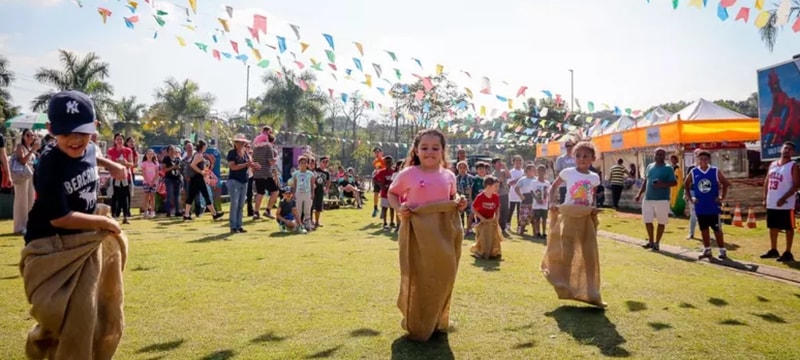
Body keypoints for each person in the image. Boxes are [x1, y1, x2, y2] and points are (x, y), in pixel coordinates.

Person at [21, 90, 129, 359]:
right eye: (66, 133)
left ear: (94, 128)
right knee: (56, 316)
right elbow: (61, 218)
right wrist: (103, 221)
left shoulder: (90, 147)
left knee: (87, 313)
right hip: (50, 246)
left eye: (82, 132)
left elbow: (91, 155)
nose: (75, 140)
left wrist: (111, 165)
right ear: (50, 130)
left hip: (83, 243)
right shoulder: (48, 166)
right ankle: (42, 345)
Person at [388, 129, 467, 342]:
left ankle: (438, 320)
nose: (429, 152)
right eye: (424, 148)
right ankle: (417, 322)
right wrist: (399, 208)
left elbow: (452, 196)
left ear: (443, 151)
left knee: (444, 275)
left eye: (435, 148)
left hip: (444, 233)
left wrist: (459, 201)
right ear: (416, 150)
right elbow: (392, 193)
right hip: (417, 234)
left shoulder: (449, 175)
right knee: (419, 276)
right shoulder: (408, 173)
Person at [544, 140, 605, 308]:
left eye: (586, 156)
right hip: (569, 215)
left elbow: (591, 196)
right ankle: (562, 283)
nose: (582, 159)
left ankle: (591, 292)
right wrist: (552, 203)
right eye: (578, 155)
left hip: (585, 217)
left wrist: (594, 209)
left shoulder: (594, 177)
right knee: (567, 252)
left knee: (589, 254)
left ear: (593, 158)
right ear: (573, 157)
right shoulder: (568, 172)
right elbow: (553, 187)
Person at [684, 150, 730, 260]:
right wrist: (691, 198)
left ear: (709, 160)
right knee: (703, 229)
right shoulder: (694, 172)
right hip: (701, 206)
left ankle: (722, 250)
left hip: (713, 206)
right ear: (698, 160)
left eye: (705, 159)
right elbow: (686, 184)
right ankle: (707, 249)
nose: (703, 161)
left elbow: (725, 183)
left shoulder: (714, 171)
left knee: (717, 229)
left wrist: (721, 197)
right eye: (701, 159)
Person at [761, 141, 799, 263]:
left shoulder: (793, 165)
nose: (787, 150)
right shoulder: (773, 164)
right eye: (785, 148)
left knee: (788, 227)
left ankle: (788, 252)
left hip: (786, 204)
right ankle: (773, 249)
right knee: (773, 226)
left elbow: (796, 185)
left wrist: (784, 198)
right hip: (772, 201)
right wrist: (765, 197)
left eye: (790, 149)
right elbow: (767, 181)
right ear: (781, 149)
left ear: (792, 152)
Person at [635, 148, 678, 251]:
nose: (659, 156)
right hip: (648, 198)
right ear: (654, 155)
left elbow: (674, 182)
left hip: (662, 199)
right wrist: (639, 194)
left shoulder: (668, 168)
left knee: (661, 222)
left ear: (665, 156)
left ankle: (657, 243)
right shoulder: (649, 166)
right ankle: (650, 241)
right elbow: (646, 181)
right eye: (657, 154)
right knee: (647, 220)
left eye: (661, 155)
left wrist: (662, 184)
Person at [183, 140, 224, 221]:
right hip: (198, 178)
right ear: (202, 147)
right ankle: (214, 214)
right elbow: (192, 165)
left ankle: (186, 214)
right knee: (206, 195)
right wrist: (201, 172)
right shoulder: (199, 155)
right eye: (205, 146)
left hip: (195, 178)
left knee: (191, 197)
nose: (206, 148)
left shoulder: (197, 154)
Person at [227, 134, 259, 233]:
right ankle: (233, 226)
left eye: (243, 142)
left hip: (244, 181)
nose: (242, 144)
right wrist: (246, 164)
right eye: (240, 142)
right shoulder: (232, 153)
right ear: (235, 143)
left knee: (241, 204)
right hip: (234, 181)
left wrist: (255, 166)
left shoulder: (245, 154)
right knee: (235, 203)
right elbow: (233, 167)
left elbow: (250, 164)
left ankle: (239, 225)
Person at [12, 128, 39, 234]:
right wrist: (32, 150)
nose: (30, 137)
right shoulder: (20, 147)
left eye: (32, 135)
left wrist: (34, 152)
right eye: (28, 135)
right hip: (21, 176)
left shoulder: (31, 148)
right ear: (23, 136)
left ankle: (28, 225)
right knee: (21, 201)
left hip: (30, 175)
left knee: (30, 201)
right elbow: (22, 161)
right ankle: (19, 227)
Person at [470, 175, 502, 259]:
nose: (497, 188)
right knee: (482, 237)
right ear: (488, 186)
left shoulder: (496, 196)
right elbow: (473, 208)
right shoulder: (480, 197)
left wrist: (497, 216)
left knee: (492, 236)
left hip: (491, 220)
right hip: (481, 220)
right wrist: (481, 217)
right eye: (495, 186)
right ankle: (480, 251)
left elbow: (497, 207)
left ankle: (492, 252)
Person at [108, 133, 134, 224]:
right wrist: (115, 163)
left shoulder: (128, 150)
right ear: (115, 141)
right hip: (115, 176)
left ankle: (126, 216)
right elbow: (108, 164)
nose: (119, 141)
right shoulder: (111, 150)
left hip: (125, 176)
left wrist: (125, 163)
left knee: (125, 195)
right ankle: (114, 215)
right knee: (115, 196)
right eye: (118, 139)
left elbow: (131, 164)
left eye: (121, 139)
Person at [252, 128, 277, 219]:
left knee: (260, 193)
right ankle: (268, 210)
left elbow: (253, 160)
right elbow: (270, 161)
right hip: (266, 173)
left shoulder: (256, 148)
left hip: (257, 174)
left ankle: (256, 212)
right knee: (275, 192)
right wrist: (275, 160)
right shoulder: (268, 147)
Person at [289, 155, 315, 231]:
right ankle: (297, 225)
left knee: (307, 210)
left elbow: (312, 185)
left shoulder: (310, 174)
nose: (303, 164)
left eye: (305, 163)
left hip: (307, 194)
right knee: (298, 210)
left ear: (307, 164)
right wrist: (293, 194)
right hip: (298, 193)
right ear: (299, 164)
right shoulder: (296, 174)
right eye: (301, 163)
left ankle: (308, 225)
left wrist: (312, 193)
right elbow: (294, 185)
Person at [514, 164, 537, 235]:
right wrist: (520, 196)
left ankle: (535, 232)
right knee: (524, 215)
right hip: (525, 198)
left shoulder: (536, 179)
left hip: (534, 198)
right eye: (529, 170)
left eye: (533, 170)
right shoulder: (523, 179)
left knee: (534, 216)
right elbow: (516, 188)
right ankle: (521, 231)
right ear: (526, 171)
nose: (531, 172)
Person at [491, 157, 511, 236]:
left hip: (505, 193)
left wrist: (505, 167)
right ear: (494, 164)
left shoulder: (503, 171)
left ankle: (503, 227)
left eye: (500, 162)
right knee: (499, 211)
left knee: (506, 210)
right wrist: (500, 181)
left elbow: (509, 176)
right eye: (498, 162)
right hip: (498, 194)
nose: (500, 164)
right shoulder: (493, 174)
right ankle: (499, 227)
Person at [161, 145, 182, 217]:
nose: (172, 151)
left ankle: (177, 211)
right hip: (169, 179)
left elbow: (181, 169)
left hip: (177, 178)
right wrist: (172, 167)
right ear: (168, 151)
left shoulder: (178, 159)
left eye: (174, 150)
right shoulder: (166, 159)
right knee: (169, 195)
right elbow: (164, 170)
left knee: (177, 196)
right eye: (170, 149)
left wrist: (179, 168)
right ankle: (168, 211)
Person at [531, 165, 551, 238]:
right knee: (537, 219)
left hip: (544, 204)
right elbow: (532, 192)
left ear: (545, 172)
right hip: (536, 204)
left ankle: (544, 232)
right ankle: (538, 232)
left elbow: (549, 193)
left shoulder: (547, 183)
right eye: (539, 170)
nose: (541, 172)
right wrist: (537, 199)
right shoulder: (534, 182)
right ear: (537, 172)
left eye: (543, 170)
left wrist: (548, 202)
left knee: (544, 219)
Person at [455, 160, 474, 235]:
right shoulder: (456, 178)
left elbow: (472, 189)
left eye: (464, 167)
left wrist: (471, 199)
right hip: (459, 199)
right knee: (460, 215)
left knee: (470, 215)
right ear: (458, 168)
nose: (462, 169)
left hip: (468, 199)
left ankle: (469, 229)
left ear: (467, 168)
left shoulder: (470, 178)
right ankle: (461, 229)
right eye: (460, 167)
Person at [140, 149, 160, 218]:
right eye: (148, 154)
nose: (149, 155)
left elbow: (157, 173)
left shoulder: (156, 163)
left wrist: (153, 181)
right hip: (146, 182)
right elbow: (143, 173)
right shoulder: (144, 163)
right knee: (146, 197)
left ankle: (152, 211)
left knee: (152, 197)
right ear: (146, 155)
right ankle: (145, 211)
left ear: (153, 155)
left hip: (154, 182)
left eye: (151, 154)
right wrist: (148, 181)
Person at [312, 156, 331, 228]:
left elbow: (328, 181)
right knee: (311, 206)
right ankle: (310, 220)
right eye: (324, 161)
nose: (325, 163)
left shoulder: (327, 173)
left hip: (320, 191)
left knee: (318, 207)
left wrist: (327, 188)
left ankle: (317, 222)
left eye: (327, 162)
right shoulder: (315, 170)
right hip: (313, 190)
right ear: (320, 162)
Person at [507, 155, 525, 230]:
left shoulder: (523, 171)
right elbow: (510, 183)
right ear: (513, 162)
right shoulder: (511, 172)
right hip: (513, 194)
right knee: (511, 209)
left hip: (521, 194)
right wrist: (520, 179)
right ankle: (508, 224)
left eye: (520, 161)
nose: (518, 162)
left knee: (520, 210)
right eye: (516, 161)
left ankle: (519, 225)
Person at [371, 147, 387, 218]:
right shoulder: (375, 162)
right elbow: (376, 169)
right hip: (377, 179)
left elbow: (387, 168)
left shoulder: (384, 160)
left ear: (381, 153)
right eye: (375, 153)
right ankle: (375, 208)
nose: (376, 154)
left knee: (383, 195)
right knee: (375, 194)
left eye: (378, 152)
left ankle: (383, 210)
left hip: (383, 179)